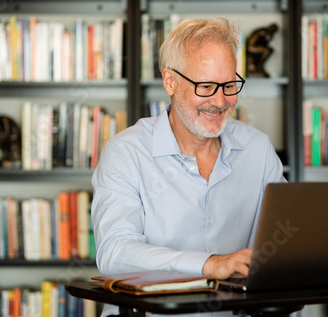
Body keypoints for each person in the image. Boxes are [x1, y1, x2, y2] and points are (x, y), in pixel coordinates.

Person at [91, 17, 286, 317]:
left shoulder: (257, 150)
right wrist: (209, 264)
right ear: (170, 81)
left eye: (230, 85)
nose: (220, 101)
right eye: (206, 86)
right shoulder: (126, 153)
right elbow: (115, 253)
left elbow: (286, 239)